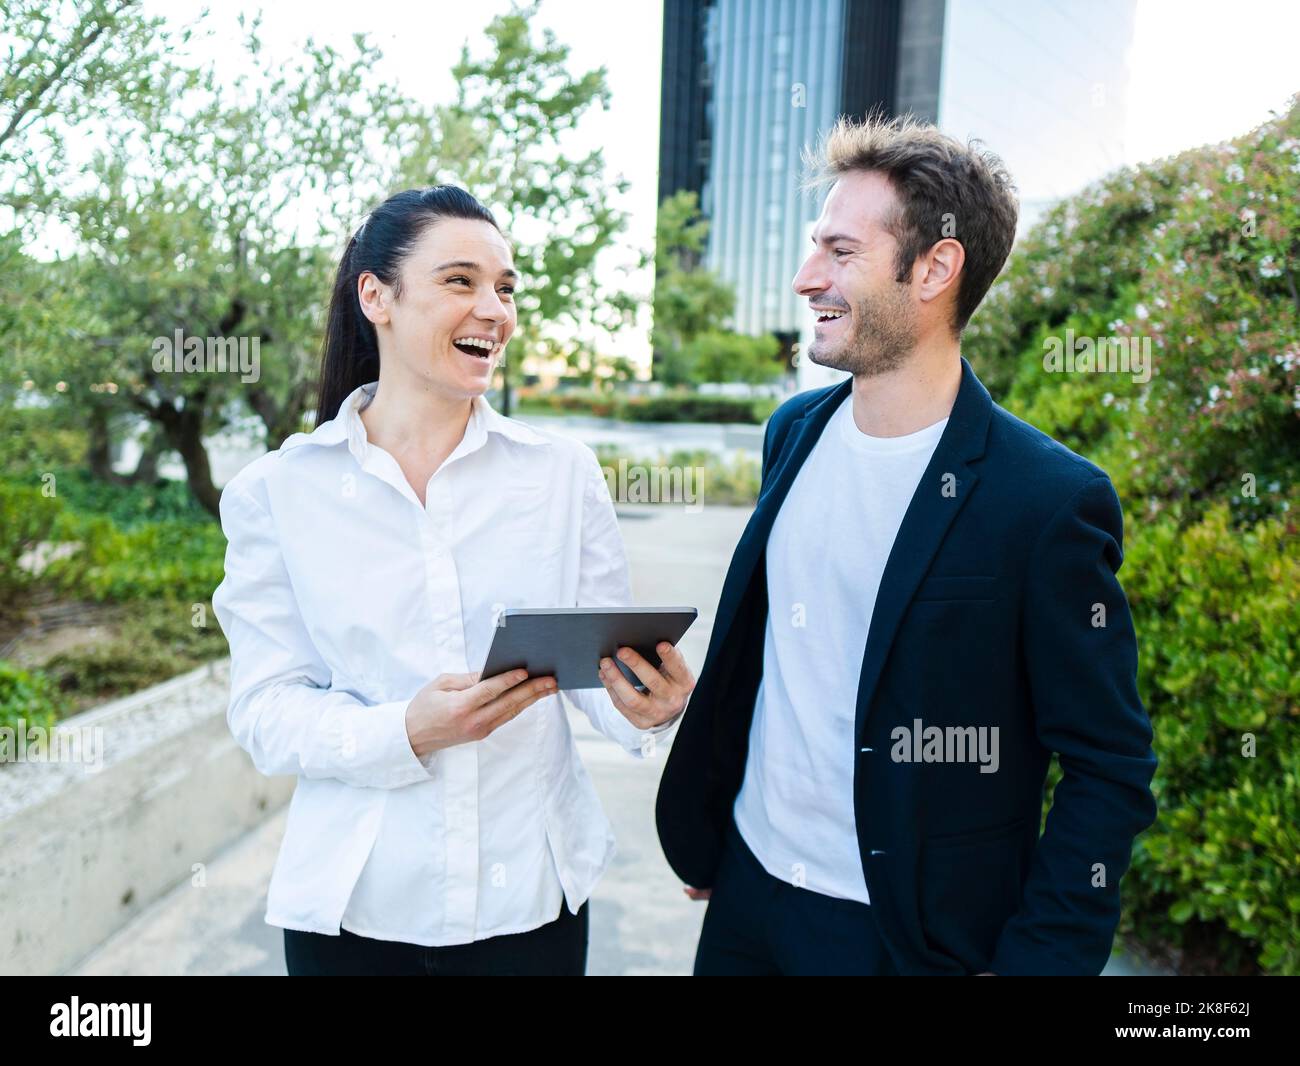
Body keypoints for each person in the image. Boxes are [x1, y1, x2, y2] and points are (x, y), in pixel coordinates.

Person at [655, 115, 1159, 976]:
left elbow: (1109, 767)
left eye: (841, 252)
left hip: (902, 939)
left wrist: (1038, 962)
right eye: (816, 247)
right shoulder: (795, 434)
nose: (806, 276)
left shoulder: (1047, 500)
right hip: (746, 892)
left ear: (935, 267)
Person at [211, 185, 694, 976]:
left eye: (505, 288)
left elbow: (593, 671)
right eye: (460, 281)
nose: (493, 310)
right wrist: (409, 729)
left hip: (530, 905)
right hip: (357, 912)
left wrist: (650, 708)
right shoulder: (278, 491)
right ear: (378, 297)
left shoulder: (561, 475)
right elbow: (265, 711)